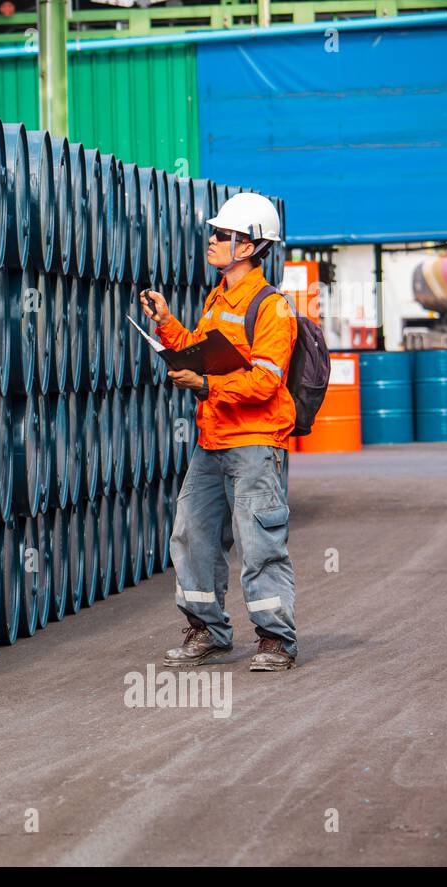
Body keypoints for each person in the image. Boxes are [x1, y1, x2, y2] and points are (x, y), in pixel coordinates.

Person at [139, 192, 299, 672]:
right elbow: (202, 352)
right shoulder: (218, 298)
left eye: (222, 235)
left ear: (248, 247)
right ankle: (207, 629)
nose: (212, 240)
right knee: (193, 534)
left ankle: (275, 640)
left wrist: (206, 384)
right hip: (213, 442)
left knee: (259, 543)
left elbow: (266, 380)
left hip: (253, 444)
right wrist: (168, 325)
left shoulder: (272, 309)